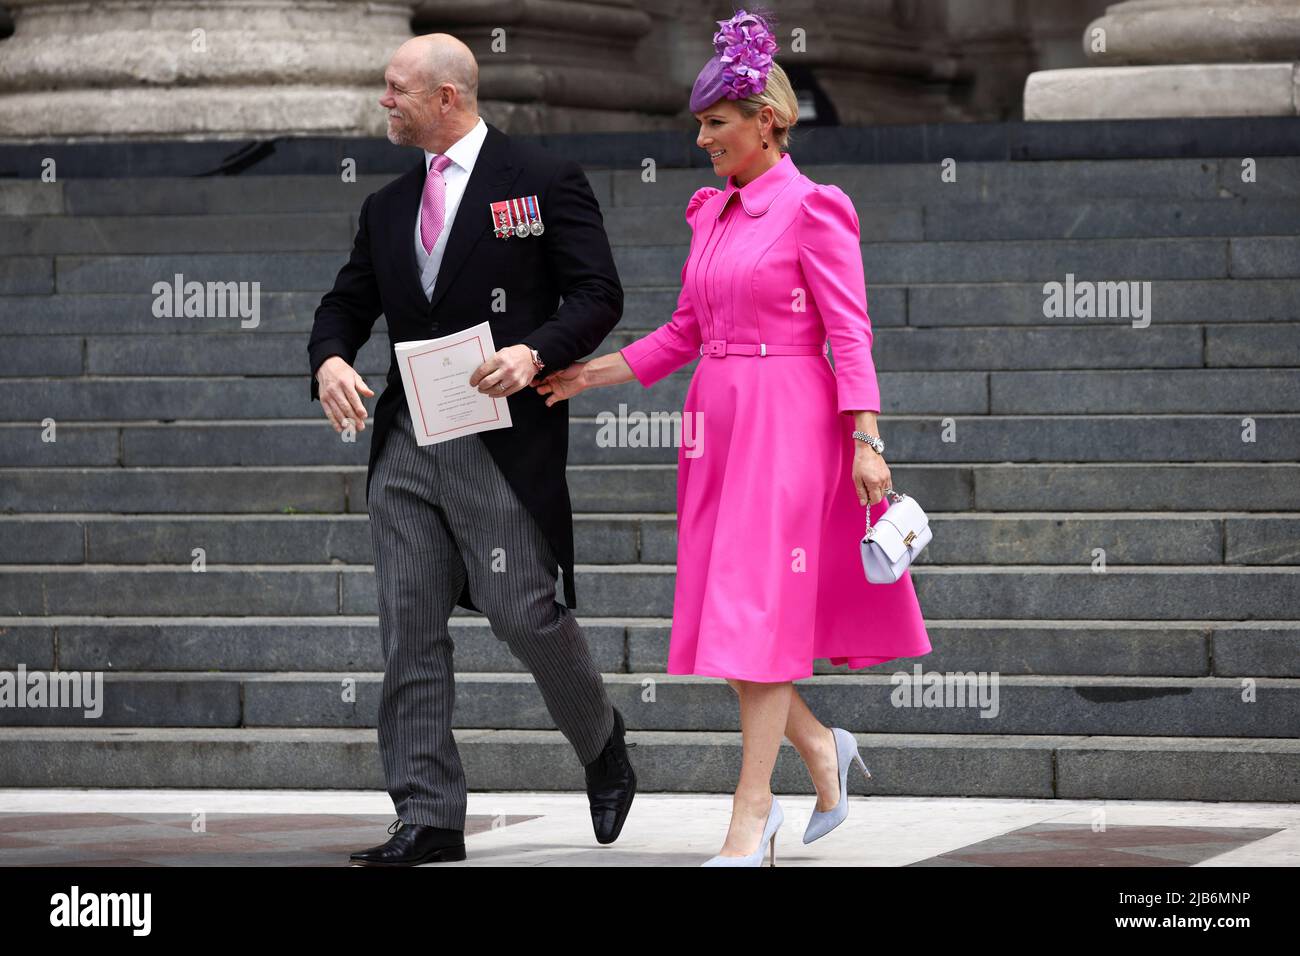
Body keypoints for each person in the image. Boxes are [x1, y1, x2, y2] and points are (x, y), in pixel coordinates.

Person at [534, 9, 931, 866]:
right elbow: (682, 331)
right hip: (714, 424)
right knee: (731, 620)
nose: (704, 139)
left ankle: (754, 812)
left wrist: (867, 436)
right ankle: (825, 749)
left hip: (791, 420)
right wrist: (585, 374)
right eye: (701, 124)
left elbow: (850, 330)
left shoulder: (816, 208)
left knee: (758, 616)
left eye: (717, 123)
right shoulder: (710, 213)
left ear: (769, 121)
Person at [307, 33, 636, 865]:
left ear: (446, 97)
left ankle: (601, 742)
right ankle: (428, 815)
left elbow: (598, 292)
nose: (385, 102)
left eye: (396, 89)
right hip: (407, 447)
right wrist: (331, 359)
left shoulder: (543, 181)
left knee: (524, 613)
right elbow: (347, 302)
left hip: (501, 441)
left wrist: (536, 351)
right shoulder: (384, 207)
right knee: (408, 628)